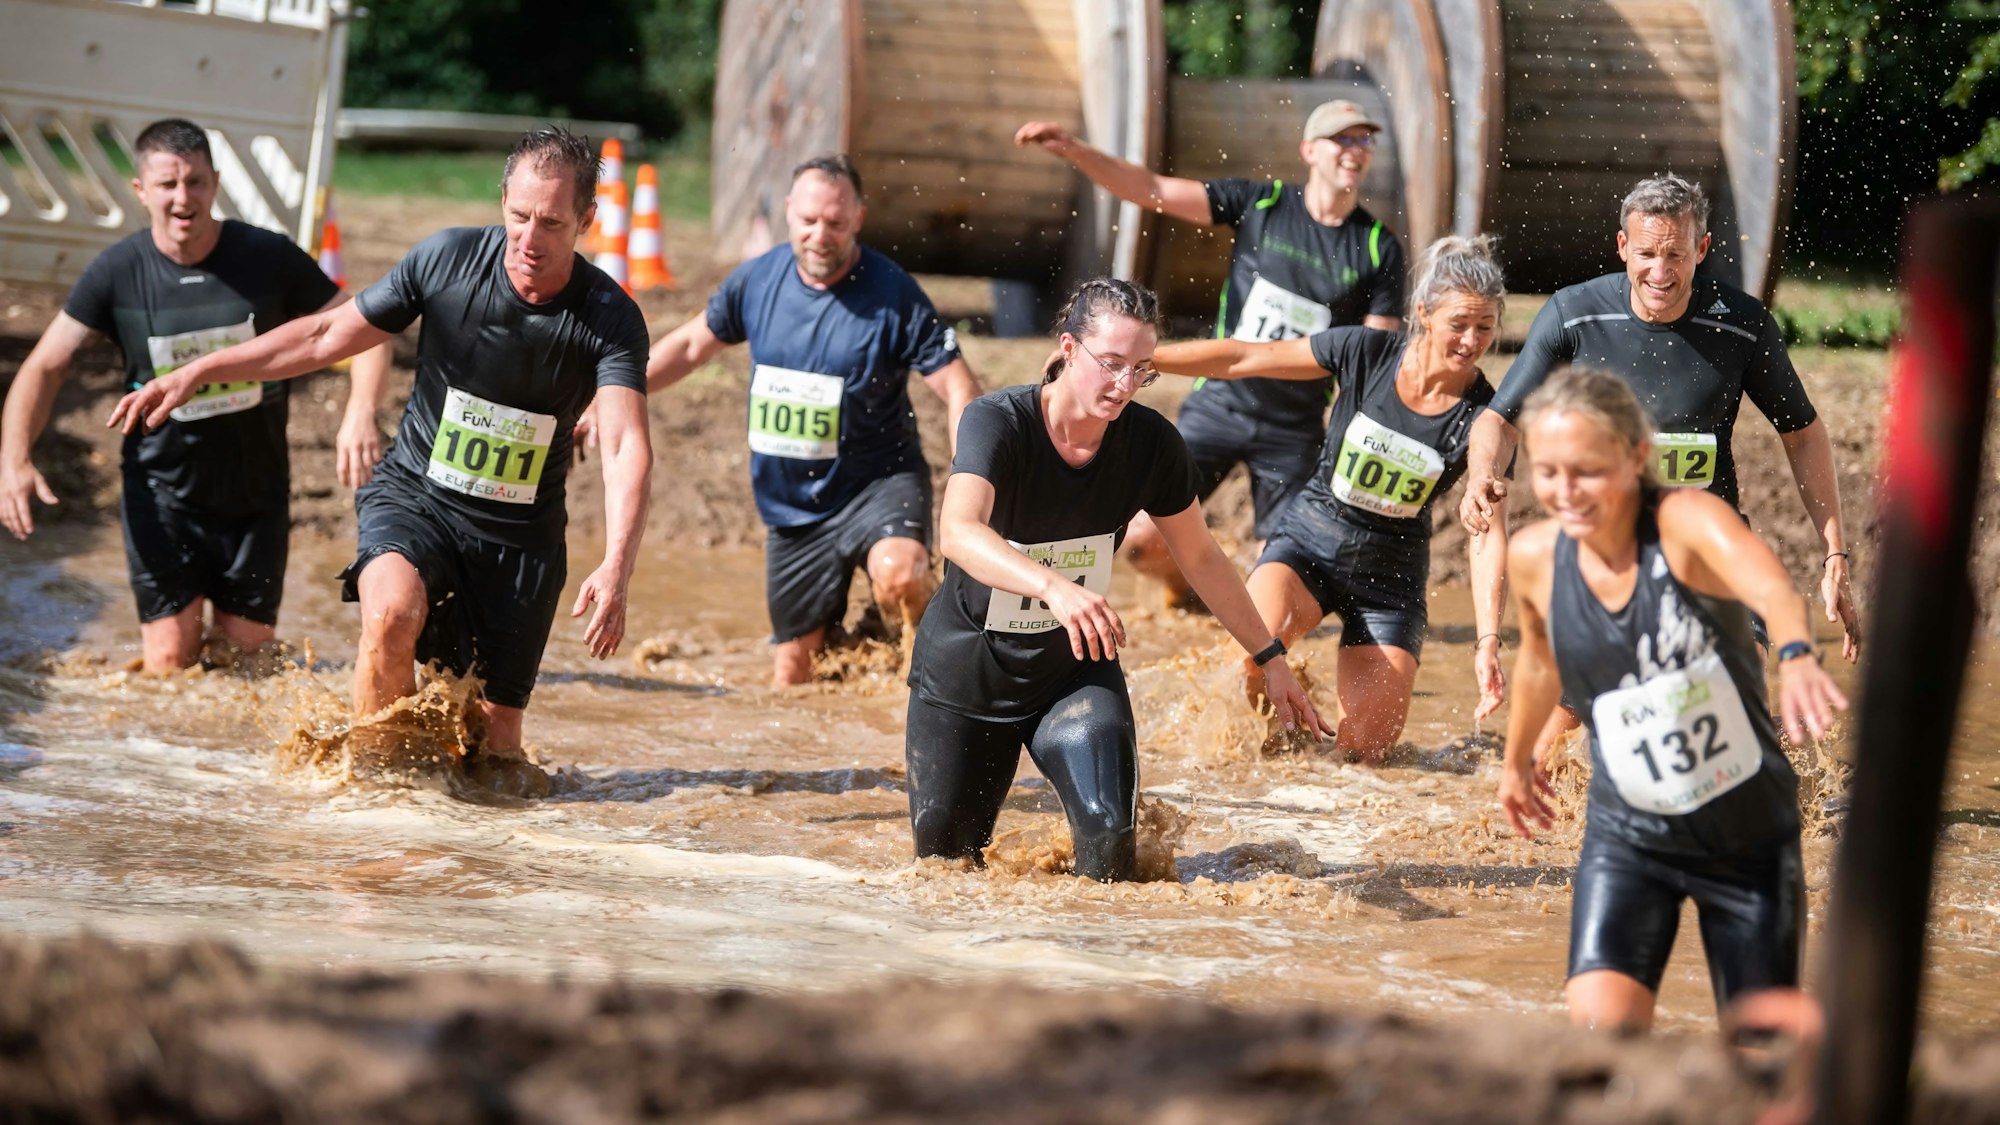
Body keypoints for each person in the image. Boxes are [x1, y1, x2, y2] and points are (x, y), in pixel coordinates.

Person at [108, 127, 651, 765]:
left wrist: (617, 563)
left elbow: (621, 442)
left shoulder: (611, 317)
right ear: (502, 198)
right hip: (416, 497)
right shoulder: (445, 261)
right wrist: (201, 369)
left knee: (493, 752)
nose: (529, 240)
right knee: (391, 613)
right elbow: (322, 337)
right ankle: (373, 787)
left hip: (519, 540)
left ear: (587, 219)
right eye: (518, 217)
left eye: (553, 224)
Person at [904, 278, 1331, 883]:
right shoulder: (997, 421)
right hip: (967, 672)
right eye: (1110, 365)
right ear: (1069, 348)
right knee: (945, 872)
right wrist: (1053, 586)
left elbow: (1202, 557)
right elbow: (959, 533)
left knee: (1111, 846)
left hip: (1071, 673)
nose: (1124, 386)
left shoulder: (1151, 444)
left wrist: (1270, 655)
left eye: (1141, 370)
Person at [1497, 367, 1847, 1033]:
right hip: (1628, 835)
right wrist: (1516, 761)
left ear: (1634, 456)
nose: (1564, 493)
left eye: (1586, 471)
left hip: (1745, 839)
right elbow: (1540, 659)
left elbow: (1774, 591)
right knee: (1600, 1045)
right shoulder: (1535, 555)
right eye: (1547, 472)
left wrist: (1797, 654)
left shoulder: (1685, 521)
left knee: (1760, 1054)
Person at [0, 117, 392, 671]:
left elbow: (367, 331)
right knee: (169, 662)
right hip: (161, 497)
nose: (183, 198)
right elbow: (44, 365)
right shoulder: (117, 271)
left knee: (249, 660)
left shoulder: (266, 258)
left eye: (196, 182)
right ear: (142, 192)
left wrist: (359, 411)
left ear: (216, 183)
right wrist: (13, 458)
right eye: (167, 184)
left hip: (256, 496)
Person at [1016, 101, 1405, 605]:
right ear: (1309, 150)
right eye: (1342, 139)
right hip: (1220, 405)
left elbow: (1373, 361)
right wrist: (1077, 151)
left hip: (1295, 427)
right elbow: (1152, 190)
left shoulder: (1378, 247)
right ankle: (1187, 592)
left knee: (1285, 578)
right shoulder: (1260, 205)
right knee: (1140, 540)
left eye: (1364, 141)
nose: (1354, 150)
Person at [1151, 236, 1509, 757]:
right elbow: (1247, 355)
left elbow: (1487, 535)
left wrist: (1488, 641)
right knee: (1245, 665)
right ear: (1424, 313)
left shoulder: (1488, 417)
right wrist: (1143, 359)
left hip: (1390, 582)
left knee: (1363, 755)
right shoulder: (1367, 352)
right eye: (1459, 324)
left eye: (1484, 327)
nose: (1470, 340)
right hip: (1307, 546)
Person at [642, 154, 980, 685]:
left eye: (836, 223)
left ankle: (921, 664)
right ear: (789, 213)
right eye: (809, 221)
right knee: (792, 677)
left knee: (901, 573)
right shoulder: (757, 280)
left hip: (878, 483)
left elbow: (958, 385)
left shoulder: (893, 293)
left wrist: (972, 479)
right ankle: (857, 658)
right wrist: (613, 395)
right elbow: (688, 346)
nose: (820, 235)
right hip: (793, 509)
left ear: (858, 219)